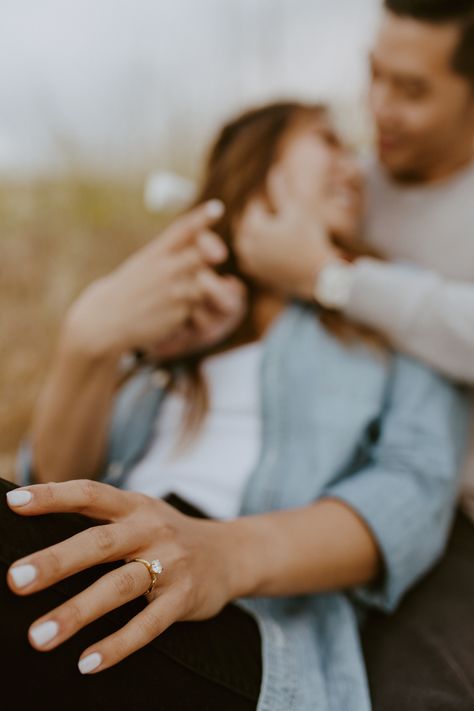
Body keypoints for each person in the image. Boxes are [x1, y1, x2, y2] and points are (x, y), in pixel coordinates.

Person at [2, 102, 469, 711]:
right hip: (104, 573)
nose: (355, 166)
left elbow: (414, 490)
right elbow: (55, 487)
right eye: (328, 141)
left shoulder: (382, 311)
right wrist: (90, 346)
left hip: (246, 627)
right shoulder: (179, 327)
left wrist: (222, 555)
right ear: (257, 163)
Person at [236, 1, 474, 708]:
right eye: (375, 76)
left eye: (413, 89)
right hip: (349, 500)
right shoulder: (356, 185)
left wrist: (330, 277)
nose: (379, 108)